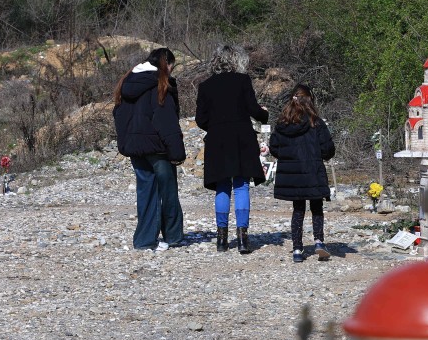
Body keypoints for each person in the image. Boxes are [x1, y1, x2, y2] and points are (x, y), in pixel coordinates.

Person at [195, 45, 269, 254]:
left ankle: (221, 239)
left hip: (217, 139)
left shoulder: (205, 86)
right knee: (241, 185)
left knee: (222, 186)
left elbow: (201, 119)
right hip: (241, 137)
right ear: (237, 60)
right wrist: (264, 115)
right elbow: (253, 109)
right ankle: (243, 239)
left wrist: (216, 125)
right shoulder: (242, 81)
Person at [113, 47, 186, 251]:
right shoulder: (161, 84)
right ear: (167, 64)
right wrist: (177, 153)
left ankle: (144, 240)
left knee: (145, 192)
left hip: (136, 148)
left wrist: (126, 142)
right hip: (158, 149)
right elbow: (167, 121)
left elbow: (119, 115)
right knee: (169, 192)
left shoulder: (127, 83)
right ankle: (173, 236)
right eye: (172, 66)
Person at [269, 84, 336, 263]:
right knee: (316, 208)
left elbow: (274, 147)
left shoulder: (282, 124)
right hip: (312, 170)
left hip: (293, 175)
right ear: (309, 100)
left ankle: (297, 249)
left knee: (298, 210)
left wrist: (287, 157)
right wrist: (317, 155)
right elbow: (328, 148)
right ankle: (319, 242)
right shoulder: (316, 122)